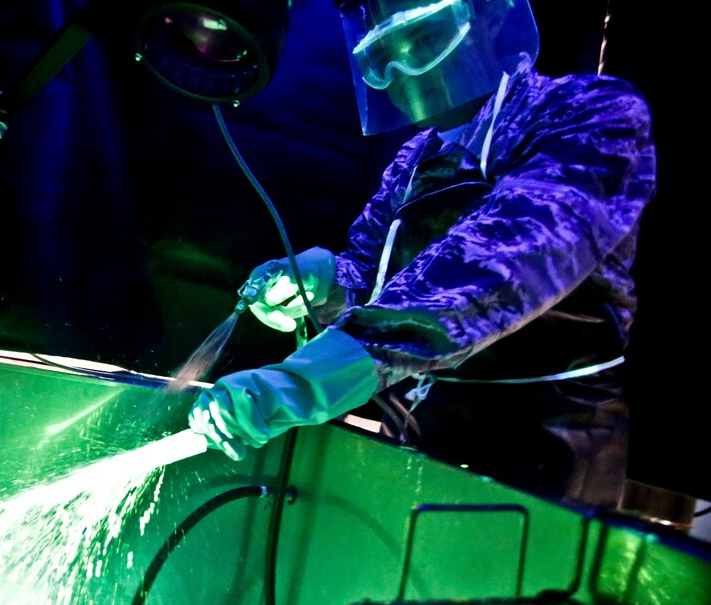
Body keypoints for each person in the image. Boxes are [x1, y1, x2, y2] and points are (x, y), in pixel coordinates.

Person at [187, 0, 657, 509]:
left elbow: (497, 268)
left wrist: (306, 381)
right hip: (420, 439)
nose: (406, 73)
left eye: (424, 40)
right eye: (382, 58)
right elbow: (373, 274)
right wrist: (323, 281)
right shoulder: (417, 157)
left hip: (541, 455)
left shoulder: (587, 114)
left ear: (489, 19)